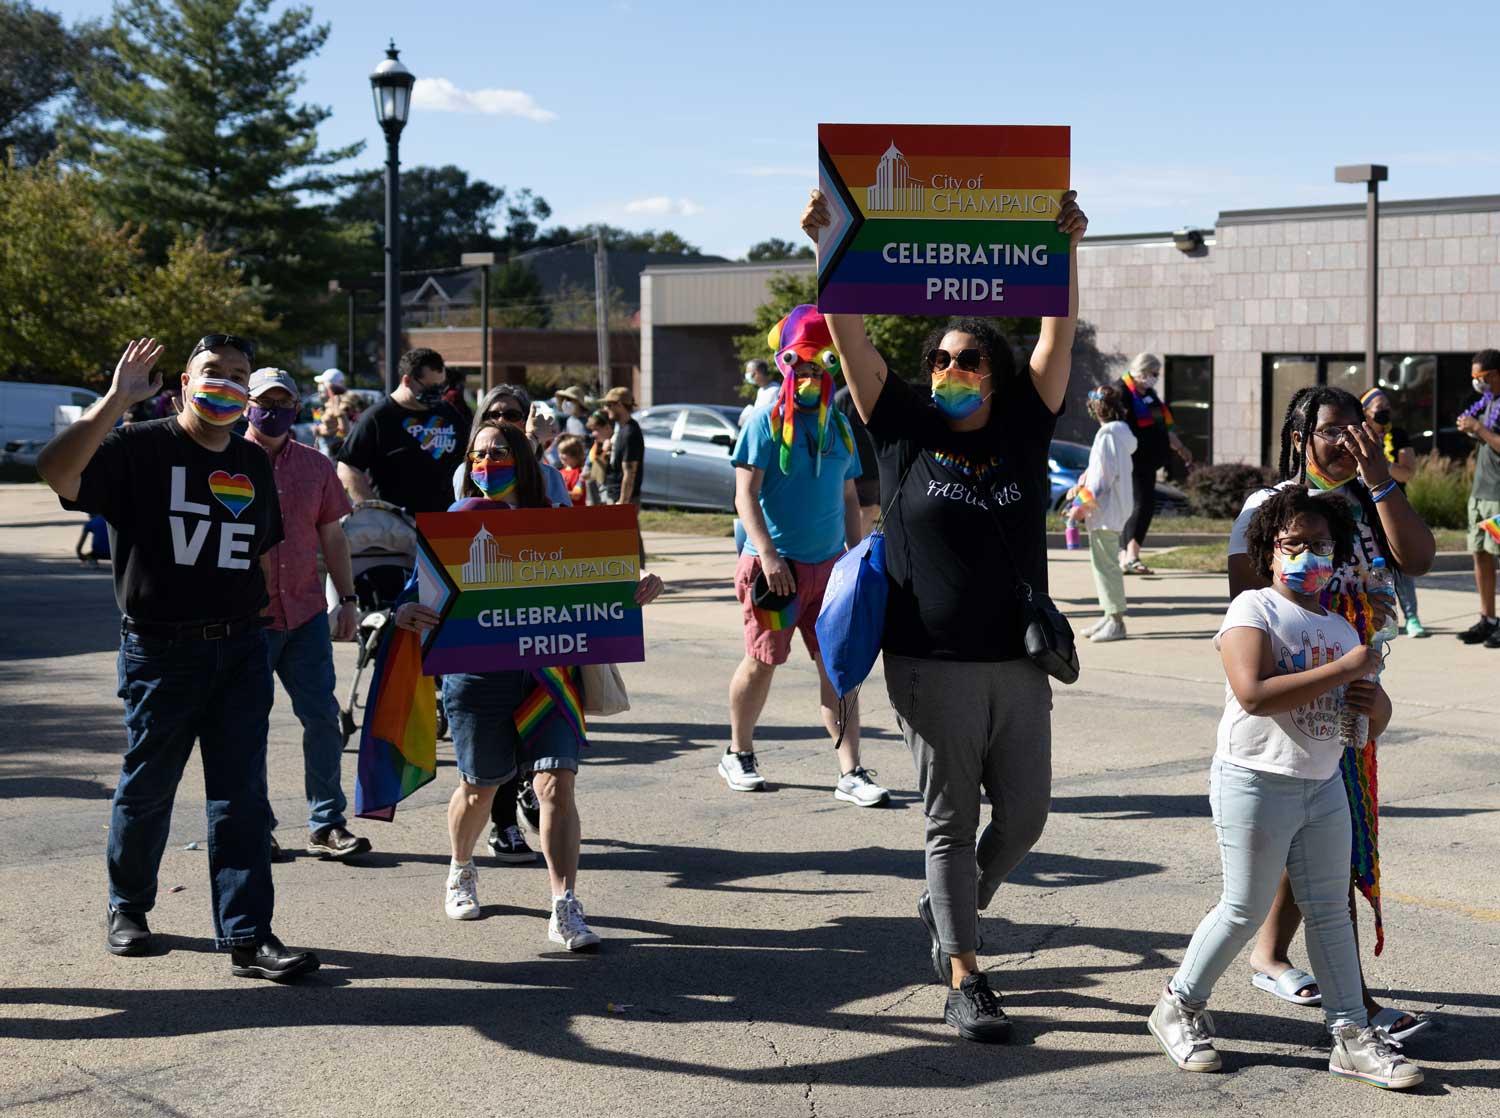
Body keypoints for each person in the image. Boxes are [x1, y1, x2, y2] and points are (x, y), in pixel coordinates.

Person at [802, 186, 1088, 1042]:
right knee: (949, 822)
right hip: (928, 661)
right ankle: (966, 975)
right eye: (942, 360)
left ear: (995, 372)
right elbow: (848, 329)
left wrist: (1065, 248)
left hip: (1018, 659)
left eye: (969, 360)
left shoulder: (1028, 426)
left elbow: (1055, 333)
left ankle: (950, 909)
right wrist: (829, 243)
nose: (952, 371)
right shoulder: (901, 426)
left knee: (1027, 815)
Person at [36, 334, 319, 980]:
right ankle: (128, 907)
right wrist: (115, 399)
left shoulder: (251, 463)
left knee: (242, 798)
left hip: (242, 648)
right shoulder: (140, 446)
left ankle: (249, 935)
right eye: (212, 372)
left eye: (237, 374)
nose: (226, 382)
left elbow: (261, 550)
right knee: (148, 789)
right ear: (183, 384)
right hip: (160, 651)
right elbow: (57, 471)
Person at [1149, 487, 1423, 1090]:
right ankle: (1179, 1005)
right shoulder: (1253, 610)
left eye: (1320, 546)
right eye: (1292, 544)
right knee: (1243, 908)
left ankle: (1351, 1035)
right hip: (1254, 779)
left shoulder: (1340, 628)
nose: (1307, 556)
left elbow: (1358, 728)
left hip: (1323, 785)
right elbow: (1253, 693)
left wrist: (1377, 706)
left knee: (1328, 913)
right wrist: (1348, 670)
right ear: (1269, 551)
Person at [392, 419, 664, 949]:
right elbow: (415, 589)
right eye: (476, 456)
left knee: (556, 784)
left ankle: (565, 903)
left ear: (523, 460)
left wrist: (637, 586)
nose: (486, 464)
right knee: (479, 787)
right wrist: (405, 609)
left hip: (549, 676)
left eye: (497, 453)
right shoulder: (454, 523)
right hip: (475, 677)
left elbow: (603, 579)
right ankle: (461, 866)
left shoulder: (559, 523)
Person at [1227, 384, 1435, 1040]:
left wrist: (1379, 481)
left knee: (1317, 842)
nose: (1349, 442)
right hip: (1297, 703)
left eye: (1358, 430)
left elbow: (1419, 558)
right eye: (1331, 432)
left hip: (1353, 700)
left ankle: (1268, 956)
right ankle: (1359, 1007)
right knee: (1330, 849)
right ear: (1297, 439)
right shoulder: (1270, 507)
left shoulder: (1369, 501)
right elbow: (1246, 602)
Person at [722, 304, 887, 807]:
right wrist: (769, 555)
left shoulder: (839, 427)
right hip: (774, 571)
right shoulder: (765, 422)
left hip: (829, 572)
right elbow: (744, 496)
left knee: (839, 669)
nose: (811, 375)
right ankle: (739, 752)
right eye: (802, 365)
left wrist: (856, 562)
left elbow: (849, 498)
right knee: (762, 661)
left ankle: (851, 771)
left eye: (820, 366)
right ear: (785, 364)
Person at [242, 368, 370, 860]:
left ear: (298, 407)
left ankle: (326, 824)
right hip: (248, 618)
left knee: (321, 719)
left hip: (306, 612)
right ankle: (254, 824)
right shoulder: (225, 461)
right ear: (246, 404)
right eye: (263, 402)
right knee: (248, 725)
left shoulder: (317, 466)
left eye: (282, 402)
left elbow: (332, 537)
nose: (272, 411)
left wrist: (349, 601)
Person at [336, 348, 469, 515]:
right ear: (407, 380)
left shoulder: (448, 412)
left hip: (444, 522)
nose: (436, 393)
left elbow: (469, 455)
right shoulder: (378, 417)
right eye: (429, 387)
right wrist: (376, 511)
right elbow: (348, 467)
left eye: (440, 387)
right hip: (399, 527)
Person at [1070, 384, 1137, 643]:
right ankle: (1109, 615)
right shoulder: (1120, 435)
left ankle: (1116, 620)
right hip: (1110, 511)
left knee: (1106, 567)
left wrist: (1079, 505)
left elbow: (1100, 479)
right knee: (1103, 566)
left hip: (1105, 512)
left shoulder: (1107, 436)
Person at [1115, 353, 1192, 575]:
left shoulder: (1149, 395)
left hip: (1149, 461)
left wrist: (1180, 448)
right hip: (1132, 460)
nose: (1155, 378)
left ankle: (1128, 555)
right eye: (1153, 374)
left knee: (1141, 506)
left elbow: (1163, 427)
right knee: (1141, 505)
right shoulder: (1122, 392)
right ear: (1140, 371)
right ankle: (1130, 555)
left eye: (1157, 375)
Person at [1360, 387, 1426, 637]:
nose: (1384, 410)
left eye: (1387, 406)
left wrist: (1381, 464)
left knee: (1402, 564)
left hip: (1394, 507)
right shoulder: (1358, 435)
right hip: (1365, 507)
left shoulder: (1397, 435)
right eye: (1379, 407)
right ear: (1365, 412)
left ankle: (1412, 618)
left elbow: (1407, 472)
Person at [1456, 349, 1500, 647]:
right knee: (1480, 556)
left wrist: (1479, 429)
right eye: (1473, 377)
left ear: (1496, 375)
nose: (1477, 383)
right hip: (1480, 493)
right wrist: (1473, 429)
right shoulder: (1489, 403)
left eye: (1481, 377)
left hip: (1498, 496)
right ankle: (1488, 618)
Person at [834, 381, 881, 537]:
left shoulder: (875, 391)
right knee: (863, 509)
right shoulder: (843, 398)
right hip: (856, 466)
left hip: (868, 464)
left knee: (868, 508)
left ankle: (857, 548)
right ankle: (856, 550)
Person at [602, 387, 644, 507]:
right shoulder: (621, 428)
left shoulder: (630, 433)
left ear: (619, 405)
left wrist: (623, 502)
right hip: (614, 494)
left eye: (609, 405)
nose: (606, 408)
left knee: (625, 527)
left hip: (622, 499)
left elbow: (630, 472)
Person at [312, 368, 351, 458]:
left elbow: (345, 430)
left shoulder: (339, 404)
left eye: (322, 385)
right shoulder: (326, 404)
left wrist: (333, 438)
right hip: (324, 446)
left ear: (329, 387)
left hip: (331, 451)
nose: (319, 390)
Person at [739, 358, 782, 426]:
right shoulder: (761, 390)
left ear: (757, 373)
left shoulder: (775, 390)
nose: (747, 376)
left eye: (749, 373)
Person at [585, 409, 613, 506]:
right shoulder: (596, 447)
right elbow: (589, 465)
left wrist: (606, 452)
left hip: (609, 497)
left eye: (596, 430)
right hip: (596, 496)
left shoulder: (614, 445)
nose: (593, 434)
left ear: (607, 428)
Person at [556, 435, 588, 507]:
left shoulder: (578, 473)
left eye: (563, 453)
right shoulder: (560, 472)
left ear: (574, 455)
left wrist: (556, 493)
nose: (560, 455)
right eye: (559, 452)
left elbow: (576, 495)